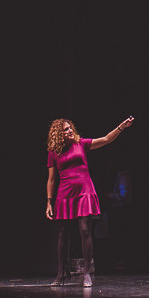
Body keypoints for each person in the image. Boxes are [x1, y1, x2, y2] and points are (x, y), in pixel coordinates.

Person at [46, 116, 134, 286]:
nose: (70, 131)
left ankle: (87, 272)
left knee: (85, 230)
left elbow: (106, 139)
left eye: (70, 128)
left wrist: (121, 126)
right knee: (63, 233)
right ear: (58, 134)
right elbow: (51, 179)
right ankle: (61, 273)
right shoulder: (54, 152)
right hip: (65, 192)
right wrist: (49, 201)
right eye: (65, 129)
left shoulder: (81, 144)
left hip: (84, 190)